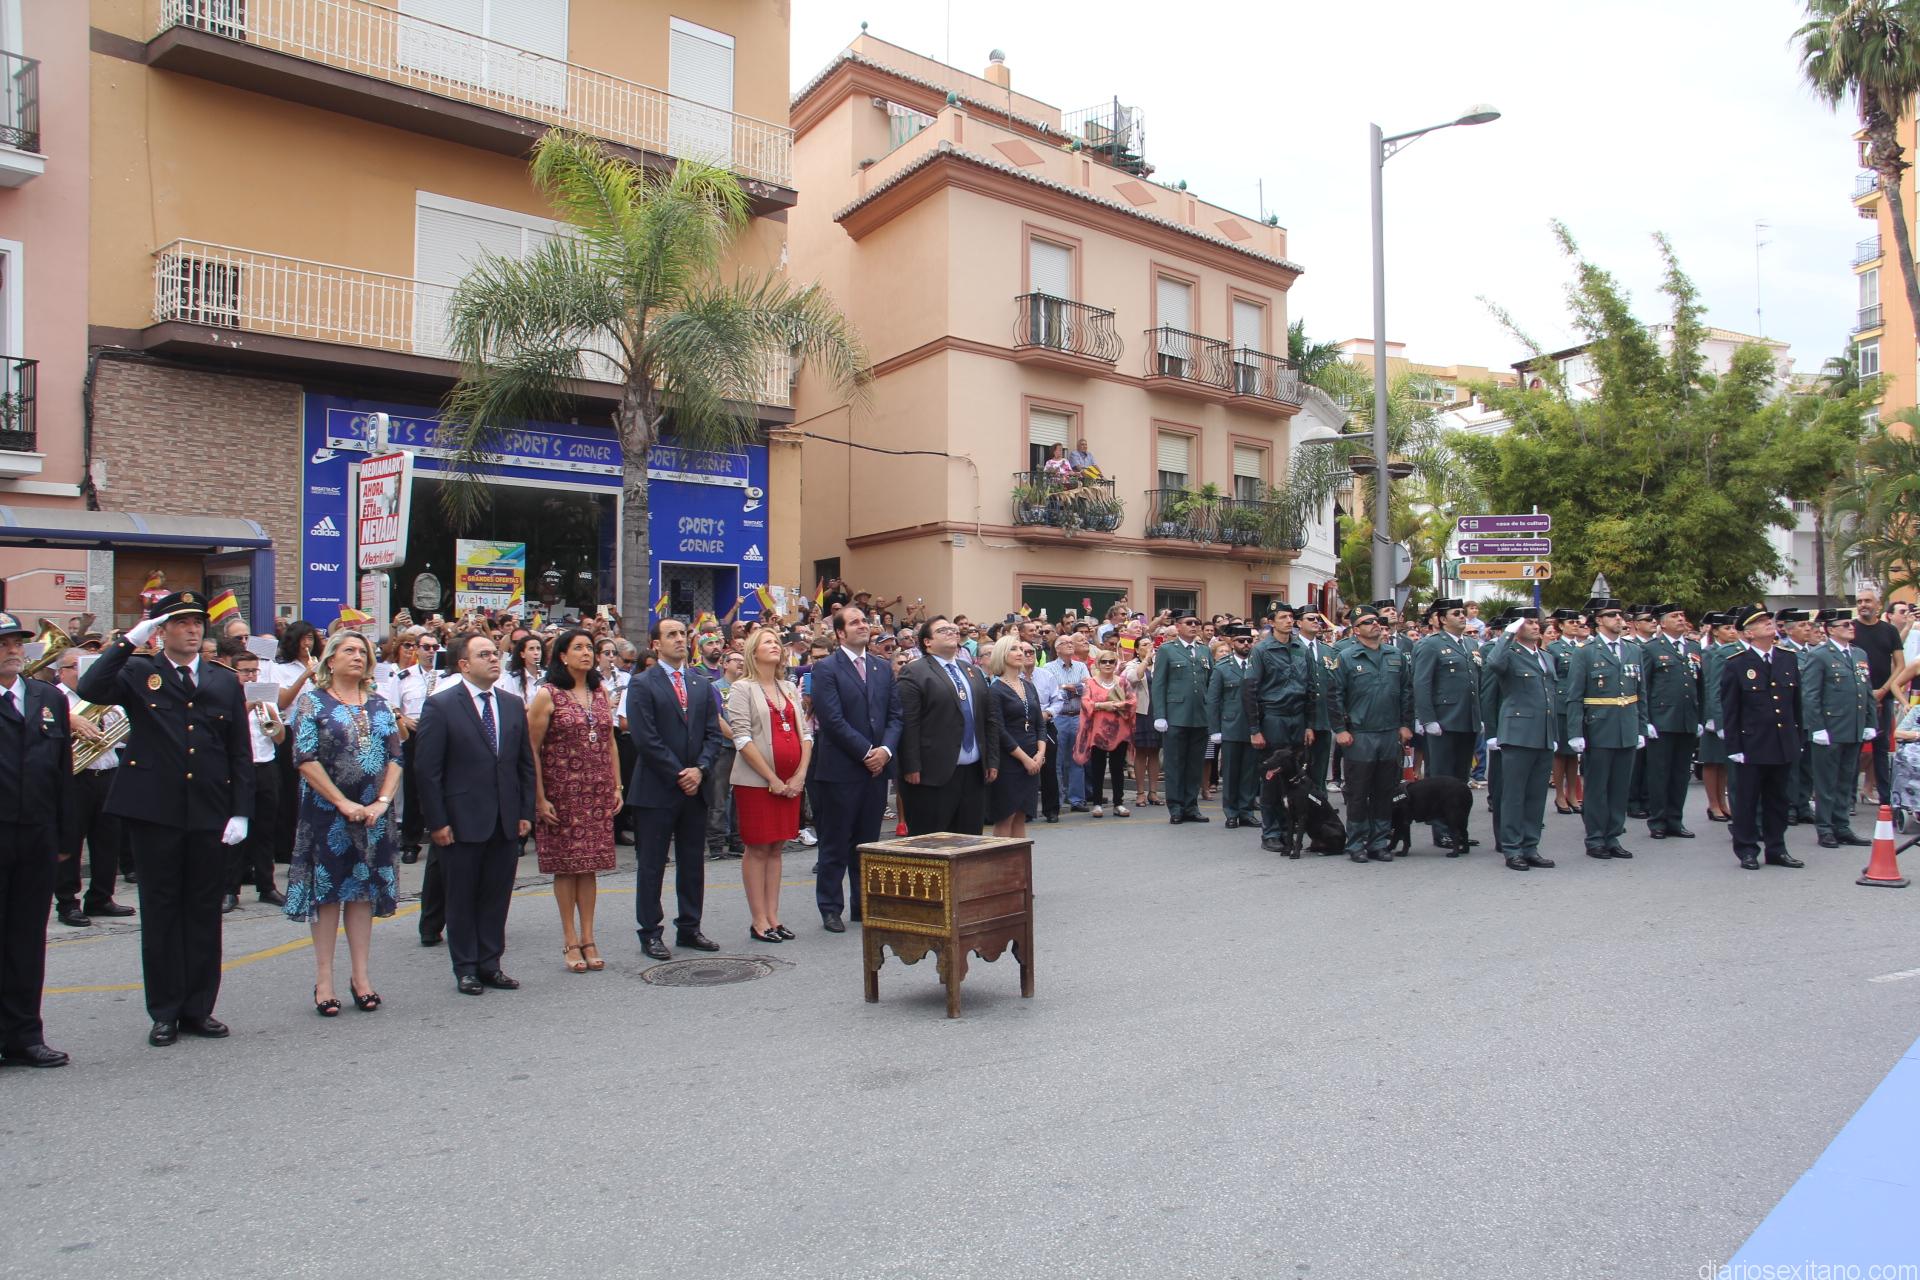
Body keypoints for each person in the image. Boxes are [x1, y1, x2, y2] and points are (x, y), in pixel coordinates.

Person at [77, 591, 253, 1046]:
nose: (192, 630)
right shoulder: (140, 671)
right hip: (155, 811)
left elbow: (238, 750)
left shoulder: (221, 679)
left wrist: (240, 811)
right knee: (161, 912)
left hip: (209, 810)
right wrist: (130, 639)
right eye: (181, 622)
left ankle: (199, 1008)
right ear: (162, 630)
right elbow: (90, 688)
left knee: (203, 911)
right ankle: (165, 1010)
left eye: (197, 623)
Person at [286, 631, 402, 1015]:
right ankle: (324, 980)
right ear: (330, 659)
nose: (357, 656)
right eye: (349, 650)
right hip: (326, 814)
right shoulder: (313, 702)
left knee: (362, 893)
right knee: (328, 894)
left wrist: (382, 802)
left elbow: (396, 758)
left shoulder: (380, 704)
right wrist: (342, 802)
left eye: (363, 652)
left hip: (373, 816)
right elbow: (304, 758)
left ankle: (361, 977)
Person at [412, 633, 535, 994]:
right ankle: (465, 966)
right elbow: (427, 770)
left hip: (504, 818)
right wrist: (437, 821)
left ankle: (490, 963)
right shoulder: (441, 706)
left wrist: (524, 811)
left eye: (495, 653)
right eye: (484, 655)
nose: (494, 659)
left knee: (496, 895)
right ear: (464, 665)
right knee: (462, 896)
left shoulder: (512, 704)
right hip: (461, 819)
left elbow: (524, 764)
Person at [0, 612, 74, 1066]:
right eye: (3, 644)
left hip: (37, 834)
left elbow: (62, 770)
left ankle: (24, 1034)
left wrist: (65, 834)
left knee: (28, 938)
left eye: (16, 643)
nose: (13, 650)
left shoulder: (46, 696)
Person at [626, 618, 723, 960]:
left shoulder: (700, 683)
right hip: (657, 788)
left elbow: (713, 734)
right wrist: (679, 773)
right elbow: (645, 738)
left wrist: (700, 769)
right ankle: (650, 932)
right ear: (656, 644)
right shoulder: (642, 683)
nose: (680, 639)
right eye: (671, 635)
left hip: (695, 789)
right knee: (652, 864)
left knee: (692, 861)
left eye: (682, 634)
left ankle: (690, 927)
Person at [527, 628, 620, 974]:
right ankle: (570, 939)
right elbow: (532, 748)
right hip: (562, 792)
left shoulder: (599, 691)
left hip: (596, 792)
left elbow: (610, 741)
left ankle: (589, 937)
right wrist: (539, 797)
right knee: (567, 867)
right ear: (563, 656)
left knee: (589, 866)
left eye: (590, 647)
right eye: (578, 647)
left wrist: (616, 786)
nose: (586, 653)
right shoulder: (547, 694)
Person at [807, 605, 901, 931]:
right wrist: (866, 752)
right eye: (855, 622)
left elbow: (895, 716)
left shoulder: (881, 667)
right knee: (836, 842)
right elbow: (831, 720)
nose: (863, 625)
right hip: (841, 769)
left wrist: (885, 751)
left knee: (867, 841)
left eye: (864, 621)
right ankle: (830, 907)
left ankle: (864, 904)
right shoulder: (826, 669)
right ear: (840, 633)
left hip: (876, 770)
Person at [727, 626, 811, 944]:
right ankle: (758, 920)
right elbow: (741, 738)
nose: (775, 645)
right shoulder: (742, 688)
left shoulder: (788, 687)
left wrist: (800, 774)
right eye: (767, 642)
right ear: (753, 651)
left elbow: (806, 735)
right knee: (758, 847)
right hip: (757, 783)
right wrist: (772, 778)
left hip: (791, 783)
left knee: (777, 847)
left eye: (777, 642)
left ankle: (774, 916)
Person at [897, 615, 1001, 836]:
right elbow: (909, 722)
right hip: (933, 773)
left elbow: (989, 718)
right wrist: (910, 765)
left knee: (969, 840)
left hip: (973, 772)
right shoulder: (915, 671)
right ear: (927, 642)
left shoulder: (971, 671)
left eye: (953, 629)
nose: (952, 632)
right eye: (943, 630)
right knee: (932, 841)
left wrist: (991, 759)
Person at [51, 647, 132, 926]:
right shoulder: (55, 698)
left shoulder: (105, 696)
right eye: (75, 665)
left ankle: (101, 897)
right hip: (74, 778)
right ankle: (67, 902)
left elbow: (124, 736)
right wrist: (71, 722)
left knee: (108, 840)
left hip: (108, 774)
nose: (82, 671)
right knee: (70, 841)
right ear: (61, 672)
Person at [1721, 603, 1805, 870]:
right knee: (1747, 800)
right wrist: (1734, 746)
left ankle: (1776, 848)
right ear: (1748, 633)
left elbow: (1796, 705)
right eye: (1760, 622)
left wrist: (1798, 738)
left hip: (1781, 741)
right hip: (1752, 743)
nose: (1768, 623)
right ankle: (1747, 849)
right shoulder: (1737, 664)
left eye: (1769, 619)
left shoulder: (1787, 658)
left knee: (1778, 799)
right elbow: (1730, 710)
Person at [1324, 605, 1411, 862]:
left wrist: (1406, 724)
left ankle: (1379, 842)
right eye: (1367, 622)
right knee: (1359, 792)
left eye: (1376, 620)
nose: (1375, 624)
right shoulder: (1346, 657)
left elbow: (1407, 692)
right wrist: (1340, 729)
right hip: (1360, 734)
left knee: (1385, 791)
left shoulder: (1395, 655)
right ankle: (1356, 842)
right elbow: (1334, 696)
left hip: (1389, 733)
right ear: (1356, 630)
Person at [1563, 599, 1647, 861]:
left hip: (1627, 726)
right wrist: (1575, 732)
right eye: (1611, 615)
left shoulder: (1633, 650)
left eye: (1620, 615)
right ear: (1598, 620)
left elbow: (1641, 693)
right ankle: (1596, 838)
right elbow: (1574, 695)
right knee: (1597, 787)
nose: (1618, 619)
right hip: (1599, 726)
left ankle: (1613, 836)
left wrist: (1641, 727)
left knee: (1620, 788)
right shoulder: (1586, 652)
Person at [1485, 607, 1560, 872]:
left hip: (1543, 733)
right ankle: (1512, 848)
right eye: (1527, 623)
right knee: (1514, 795)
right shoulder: (1509, 653)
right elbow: (1494, 663)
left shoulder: (1546, 657)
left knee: (1536, 795)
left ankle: (1530, 846)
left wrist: (1554, 733)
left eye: (1536, 622)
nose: (1535, 626)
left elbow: (1550, 696)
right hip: (1518, 733)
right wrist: (1507, 634)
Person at [1798, 608, 1877, 849]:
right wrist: (1817, 728)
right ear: (1830, 630)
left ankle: (1842, 826)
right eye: (1845, 625)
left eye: (1851, 624)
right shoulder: (1820, 655)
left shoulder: (1859, 654)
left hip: (1853, 726)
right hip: (1830, 728)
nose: (1851, 628)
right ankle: (1825, 828)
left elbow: (1866, 689)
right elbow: (1810, 695)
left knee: (1846, 779)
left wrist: (1870, 722)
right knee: (1826, 782)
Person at [222, 646, 287, 912]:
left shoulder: (266, 700)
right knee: (236, 832)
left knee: (265, 830)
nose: (251, 677)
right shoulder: (227, 700)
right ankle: (229, 889)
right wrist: (246, 708)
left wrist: (270, 716)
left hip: (266, 767)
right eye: (245, 672)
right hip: (239, 770)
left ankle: (266, 885)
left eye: (254, 671)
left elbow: (280, 738)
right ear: (234, 673)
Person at [1244, 604, 1314, 850]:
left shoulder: (1301, 649)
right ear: (1271, 622)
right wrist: (1255, 729)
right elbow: (1250, 690)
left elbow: (1310, 688)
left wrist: (1310, 724)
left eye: (1291, 617)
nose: (1288, 621)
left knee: (1294, 777)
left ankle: (1288, 829)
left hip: (1297, 717)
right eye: (1283, 617)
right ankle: (1271, 832)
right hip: (1273, 716)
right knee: (1271, 778)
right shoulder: (1261, 650)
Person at [1412, 598, 1480, 850]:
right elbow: (1421, 683)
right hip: (1443, 720)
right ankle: (1442, 831)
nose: (1462, 616)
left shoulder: (1471, 644)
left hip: (1467, 719)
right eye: (1456, 613)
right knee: (1441, 780)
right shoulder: (1430, 645)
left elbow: (1475, 683)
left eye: (1463, 613)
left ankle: (1458, 829)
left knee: (1460, 781)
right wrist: (1427, 718)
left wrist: (1479, 716)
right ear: (1441, 619)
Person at [1641, 605, 1702, 841]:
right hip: (1662, 720)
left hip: (1687, 718)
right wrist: (1646, 720)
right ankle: (1658, 820)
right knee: (1659, 773)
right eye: (1674, 616)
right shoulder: (1652, 649)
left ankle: (1675, 819)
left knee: (1680, 773)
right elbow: (1644, 687)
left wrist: (1701, 717)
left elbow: (1700, 685)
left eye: (1682, 616)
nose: (1680, 619)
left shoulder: (1694, 648)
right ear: (1662, 623)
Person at [1152, 611, 1214, 825]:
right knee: (1175, 764)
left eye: (1196, 622)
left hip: (1200, 715)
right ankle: (1176, 807)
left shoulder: (1204, 650)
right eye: (1189, 623)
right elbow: (1159, 684)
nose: (1193, 626)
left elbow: (1210, 684)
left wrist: (1212, 714)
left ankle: (1191, 806)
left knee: (1195, 764)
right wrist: (1160, 715)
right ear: (1178, 626)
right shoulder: (1167, 650)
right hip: (1176, 715)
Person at [984, 636, 1045, 840]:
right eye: (1014, 649)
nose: (1020, 653)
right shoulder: (995, 690)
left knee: (1021, 816)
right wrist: (1025, 759)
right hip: (1010, 762)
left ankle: (1019, 861)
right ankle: (1000, 861)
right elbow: (999, 730)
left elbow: (1039, 723)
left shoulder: (1028, 686)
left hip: (1033, 759)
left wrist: (1040, 753)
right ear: (1002, 654)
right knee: (1006, 817)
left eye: (1022, 649)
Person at [1853, 587, 1903, 805]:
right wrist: (1866, 693)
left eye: (1867, 601)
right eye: (1859, 601)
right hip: (1856, 698)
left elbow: (1900, 665)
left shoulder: (1889, 631)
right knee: (1854, 749)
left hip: (1884, 697)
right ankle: (1849, 800)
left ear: (1878, 605)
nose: (1863, 605)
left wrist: (1882, 691)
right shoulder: (1850, 629)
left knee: (1881, 749)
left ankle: (1885, 799)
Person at [1206, 625, 1256, 831]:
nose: (1245, 644)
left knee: (1250, 773)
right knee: (1231, 772)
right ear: (1232, 643)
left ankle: (1247, 811)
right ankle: (1232, 813)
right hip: (1231, 725)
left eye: (1249, 641)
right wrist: (1215, 729)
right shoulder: (1222, 667)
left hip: (1253, 726)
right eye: (1241, 641)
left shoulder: (1257, 664)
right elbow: (1213, 700)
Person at [1080, 645, 1135, 819]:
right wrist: (1102, 705)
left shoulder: (1123, 682)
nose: (1108, 664)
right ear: (1098, 664)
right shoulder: (1090, 683)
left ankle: (1118, 803)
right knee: (1098, 768)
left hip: (1120, 731)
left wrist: (1118, 705)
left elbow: (1132, 701)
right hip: (1098, 731)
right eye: (1104, 661)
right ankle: (1097, 803)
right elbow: (1085, 703)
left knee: (1117, 768)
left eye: (1112, 661)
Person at [1039, 636, 1090, 814]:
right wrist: (1075, 688)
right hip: (1058, 717)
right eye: (1064, 643)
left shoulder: (1081, 666)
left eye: (1071, 642)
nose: (1069, 645)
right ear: (1057, 649)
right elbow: (1053, 692)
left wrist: (1067, 687)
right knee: (1057, 761)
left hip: (1077, 716)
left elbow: (1088, 688)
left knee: (1077, 759)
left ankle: (1077, 799)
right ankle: (1058, 801)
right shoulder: (1048, 668)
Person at [1699, 611, 1741, 823]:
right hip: (1714, 713)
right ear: (1715, 632)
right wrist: (1710, 717)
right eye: (1727, 628)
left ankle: (1723, 803)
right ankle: (1713, 804)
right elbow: (1708, 685)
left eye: (1734, 628)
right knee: (1712, 760)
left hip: (1729, 712)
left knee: (1724, 761)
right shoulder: (1710, 652)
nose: (1732, 632)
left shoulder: (1735, 650)